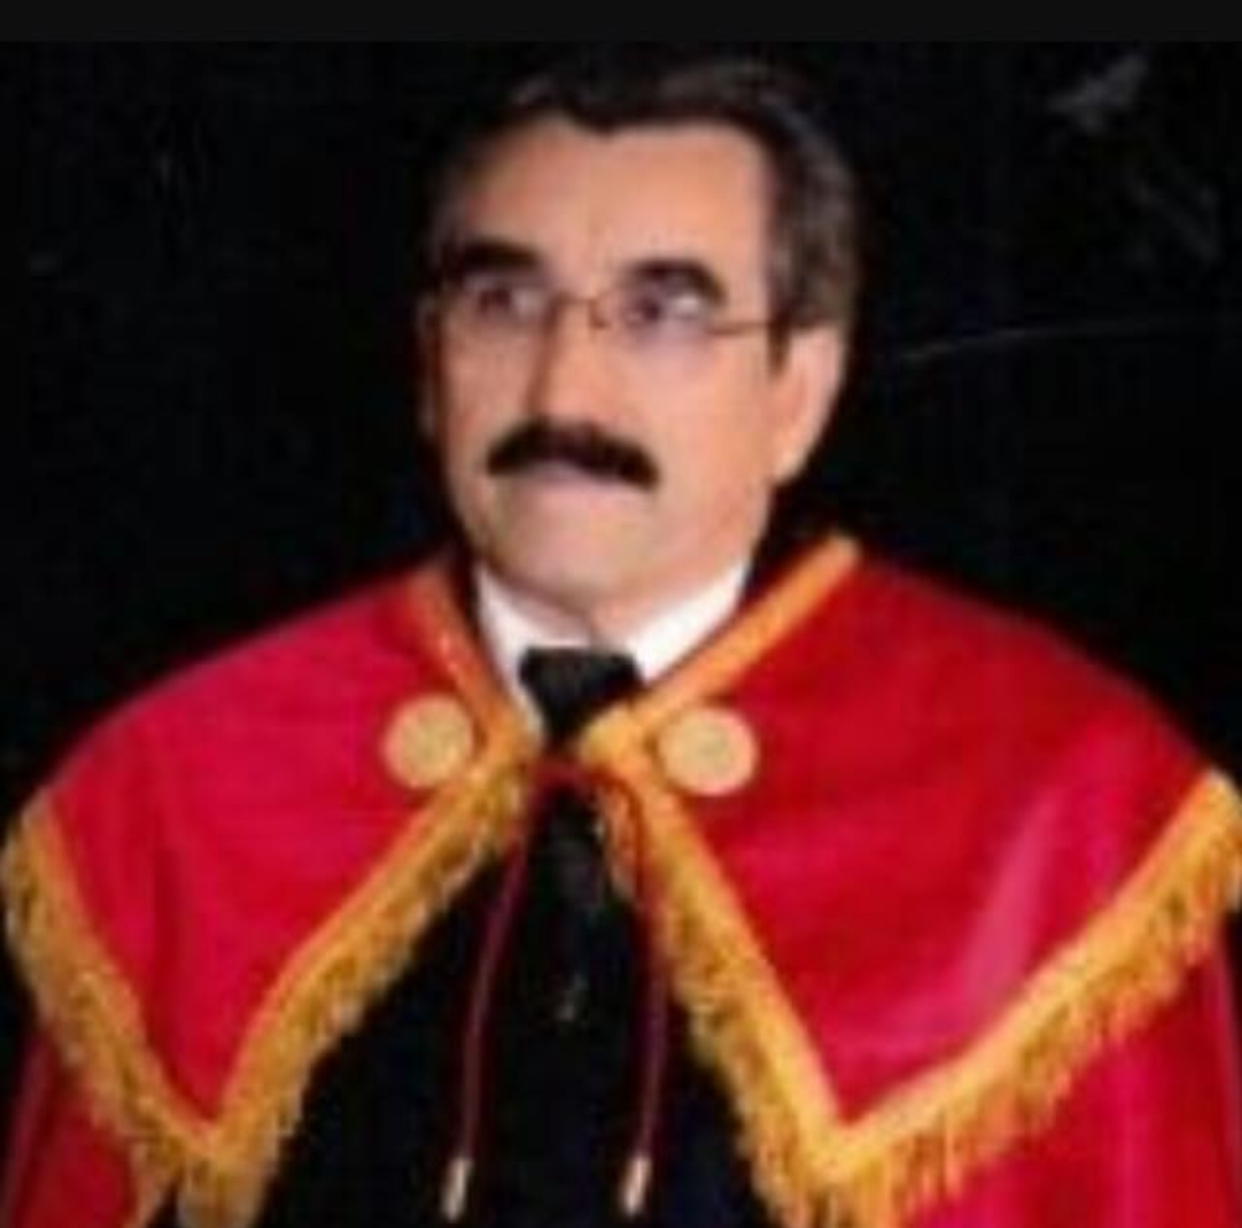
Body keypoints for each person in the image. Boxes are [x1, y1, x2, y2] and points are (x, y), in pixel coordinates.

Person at [3, 50, 1240, 1228]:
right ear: (431, 362)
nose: (563, 393)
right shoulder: (177, 785)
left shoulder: (1060, 805)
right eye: (504, 302)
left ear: (799, 388)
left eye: (662, 314)